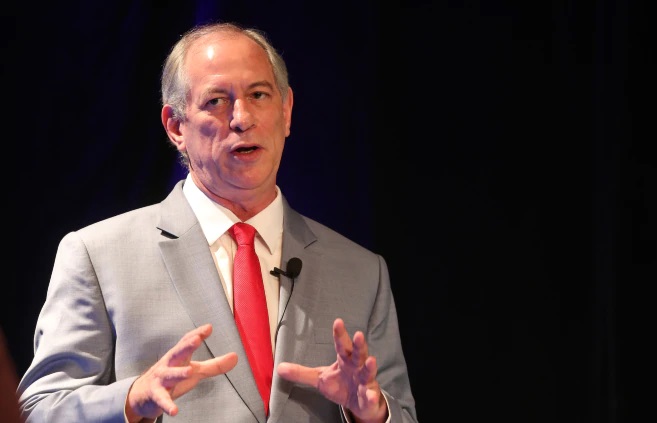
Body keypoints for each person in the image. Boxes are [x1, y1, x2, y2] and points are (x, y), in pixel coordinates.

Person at [16, 21, 417, 423]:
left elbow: (401, 412)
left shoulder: (362, 272)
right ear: (176, 126)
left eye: (258, 95)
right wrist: (132, 399)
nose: (242, 118)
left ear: (286, 111)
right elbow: (38, 410)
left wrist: (372, 413)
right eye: (216, 101)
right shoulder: (97, 256)